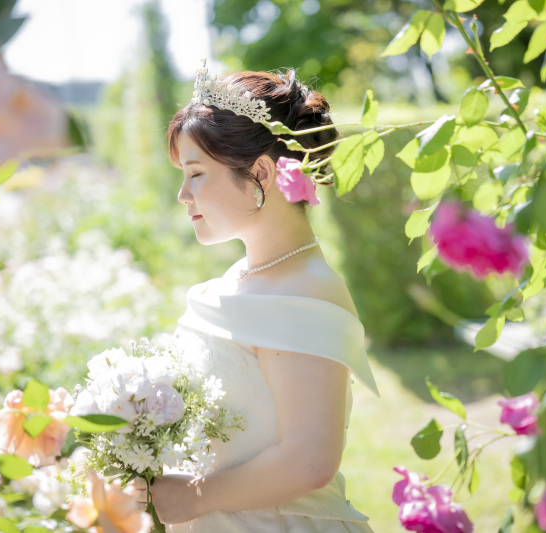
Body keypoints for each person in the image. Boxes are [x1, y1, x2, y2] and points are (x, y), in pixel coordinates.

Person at [127, 59, 381, 532]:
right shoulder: (243, 276)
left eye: (196, 173)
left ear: (262, 174)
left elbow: (310, 460)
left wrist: (192, 498)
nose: (183, 195)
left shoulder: (307, 291)